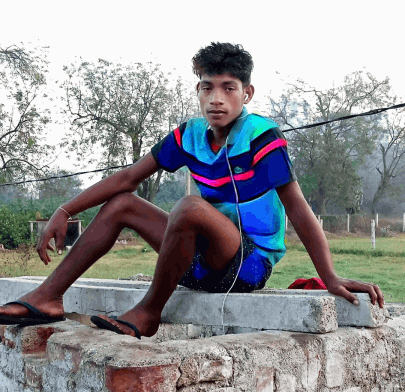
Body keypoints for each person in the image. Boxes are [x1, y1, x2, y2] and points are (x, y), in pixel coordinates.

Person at [0, 42, 384, 337]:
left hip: (247, 266)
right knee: (123, 204)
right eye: (207, 87)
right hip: (197, 262)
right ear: (198, 90)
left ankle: (149, 312)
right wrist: (65, 209)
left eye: (228, 88)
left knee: (189, 207)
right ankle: (48, 297)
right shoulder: (189, 136)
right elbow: (127, 178)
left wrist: (330, 277)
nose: (217, 98)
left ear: (247, 94)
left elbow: (298, 209)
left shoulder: (262, 137)